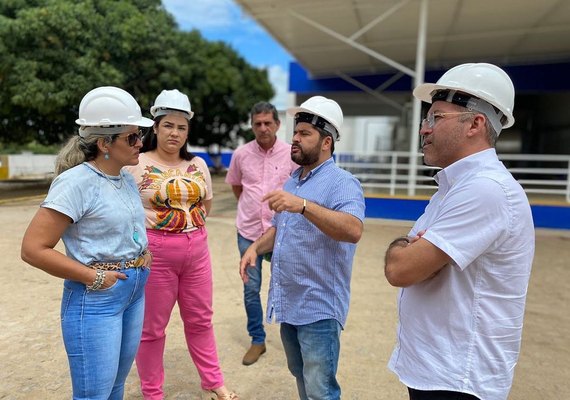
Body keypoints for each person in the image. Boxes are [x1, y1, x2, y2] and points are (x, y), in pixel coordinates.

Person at [384, 63, 535, 400]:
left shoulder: (485, 190)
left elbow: (400, 268)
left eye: (436, 117)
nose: (424, 129)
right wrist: (412, 250)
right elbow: (411, 258)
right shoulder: (454, 188)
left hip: (458, 381)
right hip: (441, 371)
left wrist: (407, 249)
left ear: (475, 124)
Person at [20, 86, 154, 399]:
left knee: (116, 387)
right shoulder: (76, 182)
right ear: (104, 142)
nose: (140, 143)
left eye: (140, 135)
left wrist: (141, 252)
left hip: (132, 292)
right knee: (94, 394)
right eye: (132, 137)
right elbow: (32, 249)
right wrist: (95, 277)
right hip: (96, 299)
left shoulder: (125, 178)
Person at [239, 96, 366, 399]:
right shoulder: (294, 180)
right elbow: (280, 228)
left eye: (305, 133)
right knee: (301, 377)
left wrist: (305, 206)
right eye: (296, 132)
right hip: (290, 303)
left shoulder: (343, 183)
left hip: (319, 306)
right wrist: (255, 247)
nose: (295, 139)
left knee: (321, 388)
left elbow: (353, 230)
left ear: (326, 142)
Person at [125, 89, 238, 400]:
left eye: (181, 127)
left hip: (197, 251)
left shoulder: (198, 164)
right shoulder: (136, 164)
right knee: (152, 329)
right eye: (168, 125)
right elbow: (126, 214)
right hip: (156, 254)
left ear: (188, 130)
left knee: (201, 319)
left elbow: (207, 206)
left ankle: (214, 382)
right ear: (155, 127)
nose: (174, 133)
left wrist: (189, 229)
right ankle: (153, 393)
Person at [225, 101, 298, 366]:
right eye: (258, 123)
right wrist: (252, 206)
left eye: (268, 123)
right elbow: (236, 187)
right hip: (248, 231)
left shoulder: (292, 154)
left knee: (289, 286)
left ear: (278, 124)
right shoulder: (241, 154)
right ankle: (257, 340)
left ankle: (294, 339)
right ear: (252, 125)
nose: (263, 128)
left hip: (282, 232)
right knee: (250, 288)